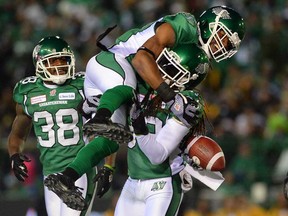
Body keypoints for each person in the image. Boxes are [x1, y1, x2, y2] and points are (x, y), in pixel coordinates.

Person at [44, 5, 245, 209]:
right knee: (126, 90)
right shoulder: (185, 26)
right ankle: (101, 116)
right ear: (212, 25)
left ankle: (66, 177)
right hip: (114, 63)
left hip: (114, 84)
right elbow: (141, 60)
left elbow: (130, 134)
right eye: (225, 38)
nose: (225, 47)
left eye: (230, 45)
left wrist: (108, 166)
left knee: (109, 142)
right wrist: (168, 97)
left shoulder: (170, 86)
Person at [7, 36, 97, 215]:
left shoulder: (83, 85)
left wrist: (108, 166)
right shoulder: (28, 93)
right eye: (53, 61)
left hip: (79, 171)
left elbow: (106, 126)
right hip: (50, 175)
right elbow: (17, 135)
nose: (60, 65)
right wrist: (14, 155)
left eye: (63, 60)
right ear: (40, 64)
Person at [114, 88, 206, 216]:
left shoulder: (185, 99)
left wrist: (140, 130)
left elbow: (157, 156)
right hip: (133, 179)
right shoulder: (135, 83)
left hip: (162, 181)